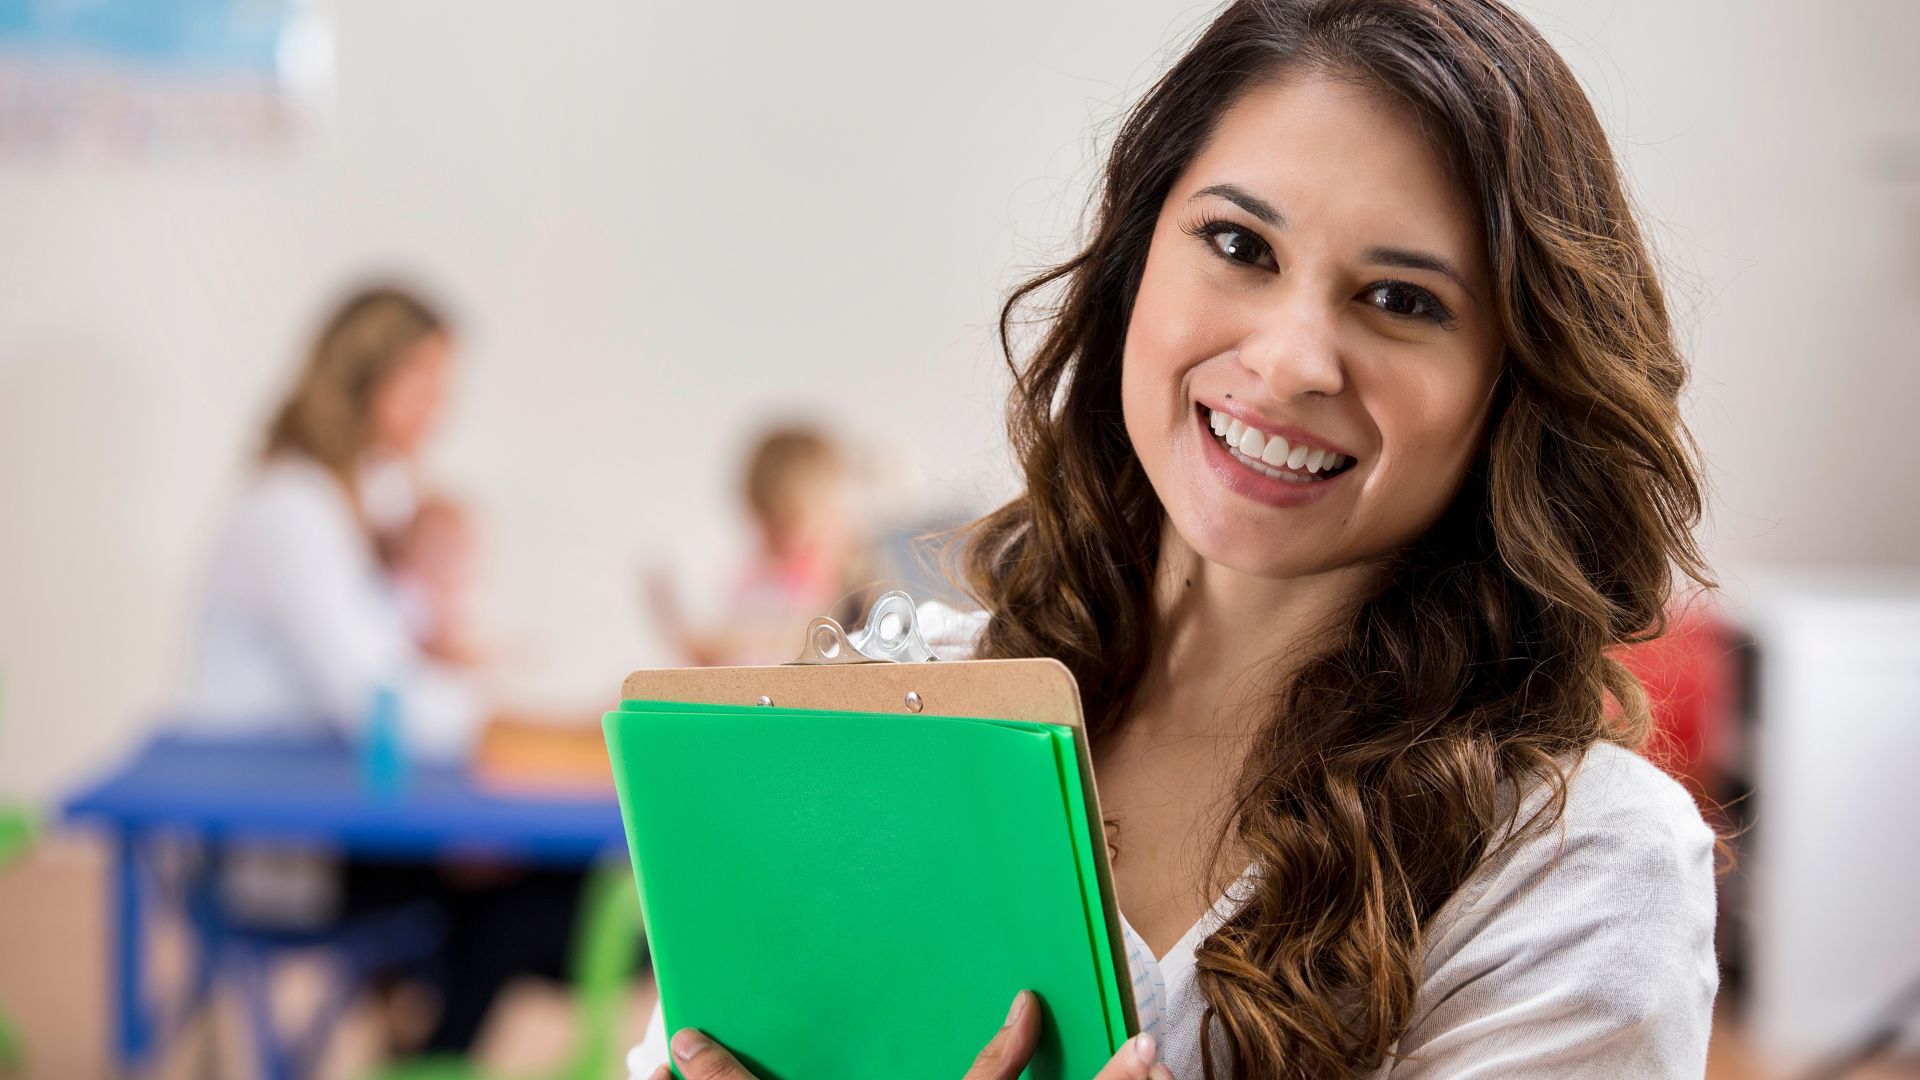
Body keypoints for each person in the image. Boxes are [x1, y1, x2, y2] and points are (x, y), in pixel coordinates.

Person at [636, 0, 1719, 1078]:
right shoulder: (885, 726)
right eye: (1240, 244)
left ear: (1514, 377)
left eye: (1401, 298)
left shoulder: (1580, 863)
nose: (1294, 361)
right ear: (1133, 264)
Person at [177, 284, 581, 1057]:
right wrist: (519, 723)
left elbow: (403, 656)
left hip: (344, 805)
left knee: (519, 877)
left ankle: (427, 1054)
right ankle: (431, 1059)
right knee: (532, 891)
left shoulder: (360, 498)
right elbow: (379, 699)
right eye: (422, 386)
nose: (439, 410)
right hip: (278, 845)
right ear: (364, 379)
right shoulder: (291, 510)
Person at [646, 424, 875, 666]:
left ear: (827, 506)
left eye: (787, 521)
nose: (773, 537)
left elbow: (809, 635)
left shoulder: (836, 564)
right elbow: (714, 656)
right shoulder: (753, 571)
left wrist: (721, 642)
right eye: (764, 522)